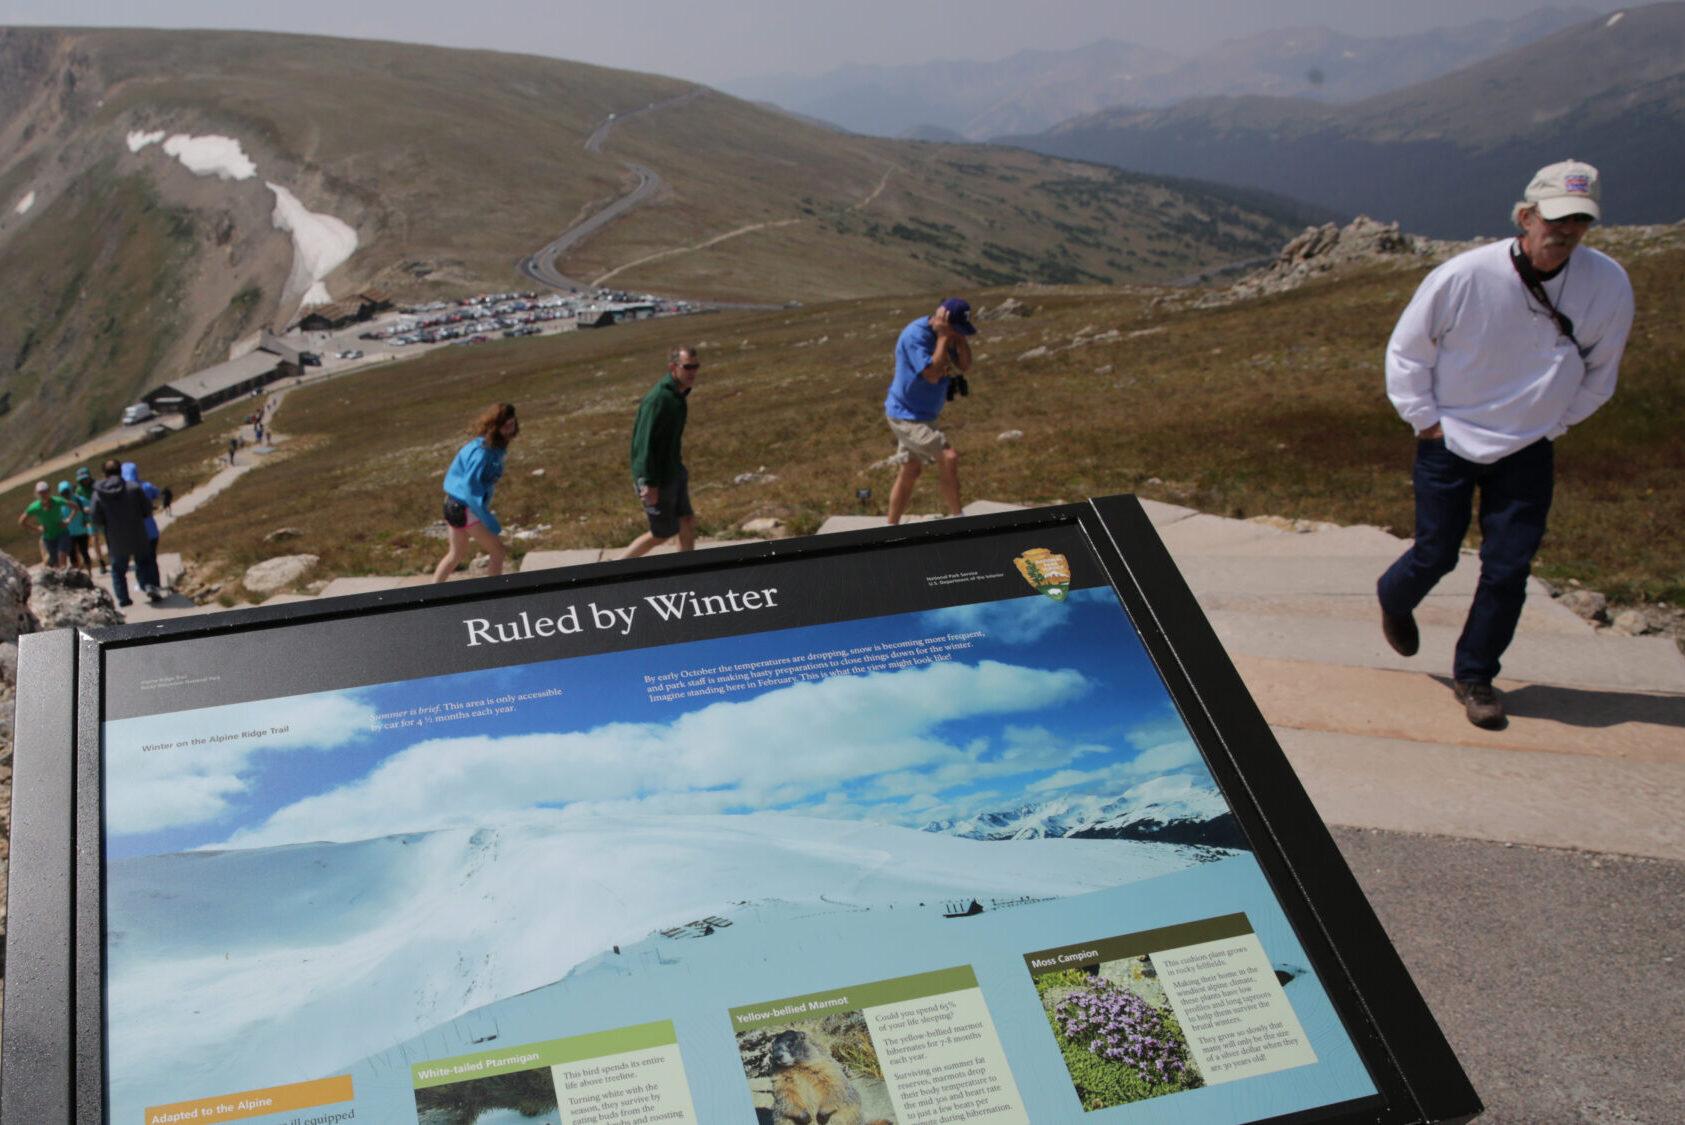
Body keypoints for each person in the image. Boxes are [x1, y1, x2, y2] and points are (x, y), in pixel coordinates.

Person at [1377, 159, 1634, 729]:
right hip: (1450, 439)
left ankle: (1476, 676)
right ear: (1526, 216)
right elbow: (1408, 350)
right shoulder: (1465, 276)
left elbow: (1602, 370)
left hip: (1528, 447)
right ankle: (1394, 597)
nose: (1565, 232)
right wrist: (1426, 421)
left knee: (1508, 566)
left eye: (1580, 221)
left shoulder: (1608, 283)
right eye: (1556, 218)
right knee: (1436, 552)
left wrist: (1553, 425)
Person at [883, 298, 976, 524]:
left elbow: (964, 365)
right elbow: (932, 374)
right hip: (905, 415)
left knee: (911, 470)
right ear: (942, 319)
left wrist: (959, 338)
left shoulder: (952, 335)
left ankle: (890, 527)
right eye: (955, 329)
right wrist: (944, 337)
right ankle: (959, 520)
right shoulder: (916, 336)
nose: (955, 334)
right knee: (948, 457)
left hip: (926, 415)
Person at [621, 346, 700, 559]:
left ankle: (689, 570)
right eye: (688, 367)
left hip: (673, 471)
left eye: (696, 366)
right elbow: (642, 444)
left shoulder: (677, 395)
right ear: (673, 367)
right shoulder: (659, 399)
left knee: (686, 521)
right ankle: (615, 567)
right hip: (658, 479)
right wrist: (647, 482)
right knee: (661, 534)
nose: (693, 372)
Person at [432, 403, 519, 582]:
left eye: (512, 424)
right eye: (506, 426)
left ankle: (431, 592)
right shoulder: (482, 453)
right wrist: (486, 518)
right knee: (498, 551)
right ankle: (494, 594)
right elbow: (469, 488)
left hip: (452, 503)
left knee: (455, 554)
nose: (510, 430)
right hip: (465, 507)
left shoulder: (487, 445)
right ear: (496, 427)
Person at [90, 459, 162, 605]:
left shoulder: (98, 495)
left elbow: (96, 519)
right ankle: (149, 586)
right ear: (120, 471)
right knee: (144, 562)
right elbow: (147, 510)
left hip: (115, 538)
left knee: (118, 569)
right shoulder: (134, 488)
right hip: (138, 533)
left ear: (104, 473)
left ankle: (124, 599)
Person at [17, 481, 75, 570]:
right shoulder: (35, 507)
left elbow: (75, 507)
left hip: (62, 533)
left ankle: (66, 576)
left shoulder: (57, 501)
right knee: (55, 564)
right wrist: (37, 528)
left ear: (49, 491)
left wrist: (68, 520)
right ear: (36, 494)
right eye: (40, 493)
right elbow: (22, 521)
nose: (43, 495)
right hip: (48, 537)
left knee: (62, 556)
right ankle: (62, 579)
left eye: (45, 491)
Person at [74, 466, 108, 572]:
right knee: (94, 539)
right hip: (89, 518)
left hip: (101, 515)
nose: (84, 481)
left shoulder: (97, 485)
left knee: (107, 536)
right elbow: (78, 505)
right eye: (82, 479)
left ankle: (113, 556)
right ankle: (100, 560)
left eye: (85, 478)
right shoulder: (79, 490)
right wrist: (83, 513)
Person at [58, 481, 94, 573]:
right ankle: (78, 573)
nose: (65, 495)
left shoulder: (80, 500)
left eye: (67, 492)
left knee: (84, 552)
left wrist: (88, 519)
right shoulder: (60, 504)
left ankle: (90, 573)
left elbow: (90, 512)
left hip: (82, 531)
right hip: (69, 533)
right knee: (72, 555)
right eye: (63, 493)